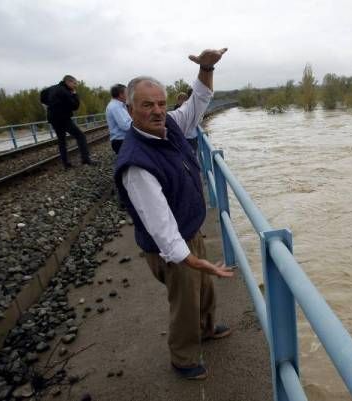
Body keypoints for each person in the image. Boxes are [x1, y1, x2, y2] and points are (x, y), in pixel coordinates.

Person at [114, 48, 232, 380]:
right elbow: (162, 228)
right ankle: (182, 358)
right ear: (130, 109)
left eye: (162, 104)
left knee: (204, 289)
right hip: (171, 248)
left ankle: (207, 328)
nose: (157, 111)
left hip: (191, 230)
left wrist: (207, 67)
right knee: (185, 302)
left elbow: (198, 101)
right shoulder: (136, 163)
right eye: (147, 105)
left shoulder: (170, 125)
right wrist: (192, 259)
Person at [45, 75, 96, 168]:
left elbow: (42, 96)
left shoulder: (51, 88)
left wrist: (50, 105)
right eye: (74, 83)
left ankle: (66, 164)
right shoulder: (66, 91)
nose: (75, 85)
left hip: (53, 119)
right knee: (81, 136)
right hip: (63, 119)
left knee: (62, 140)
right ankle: (86, 160)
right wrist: (74, 94)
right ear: (68, 82)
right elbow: (75, 106)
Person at [106, 83, 132, 154]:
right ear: (121, 95)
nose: (128, 95)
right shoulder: (115, 107)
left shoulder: (120, 105)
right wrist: (140, 125)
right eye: (127, 93)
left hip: (123, 140)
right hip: (121, 141)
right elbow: (125, 126)